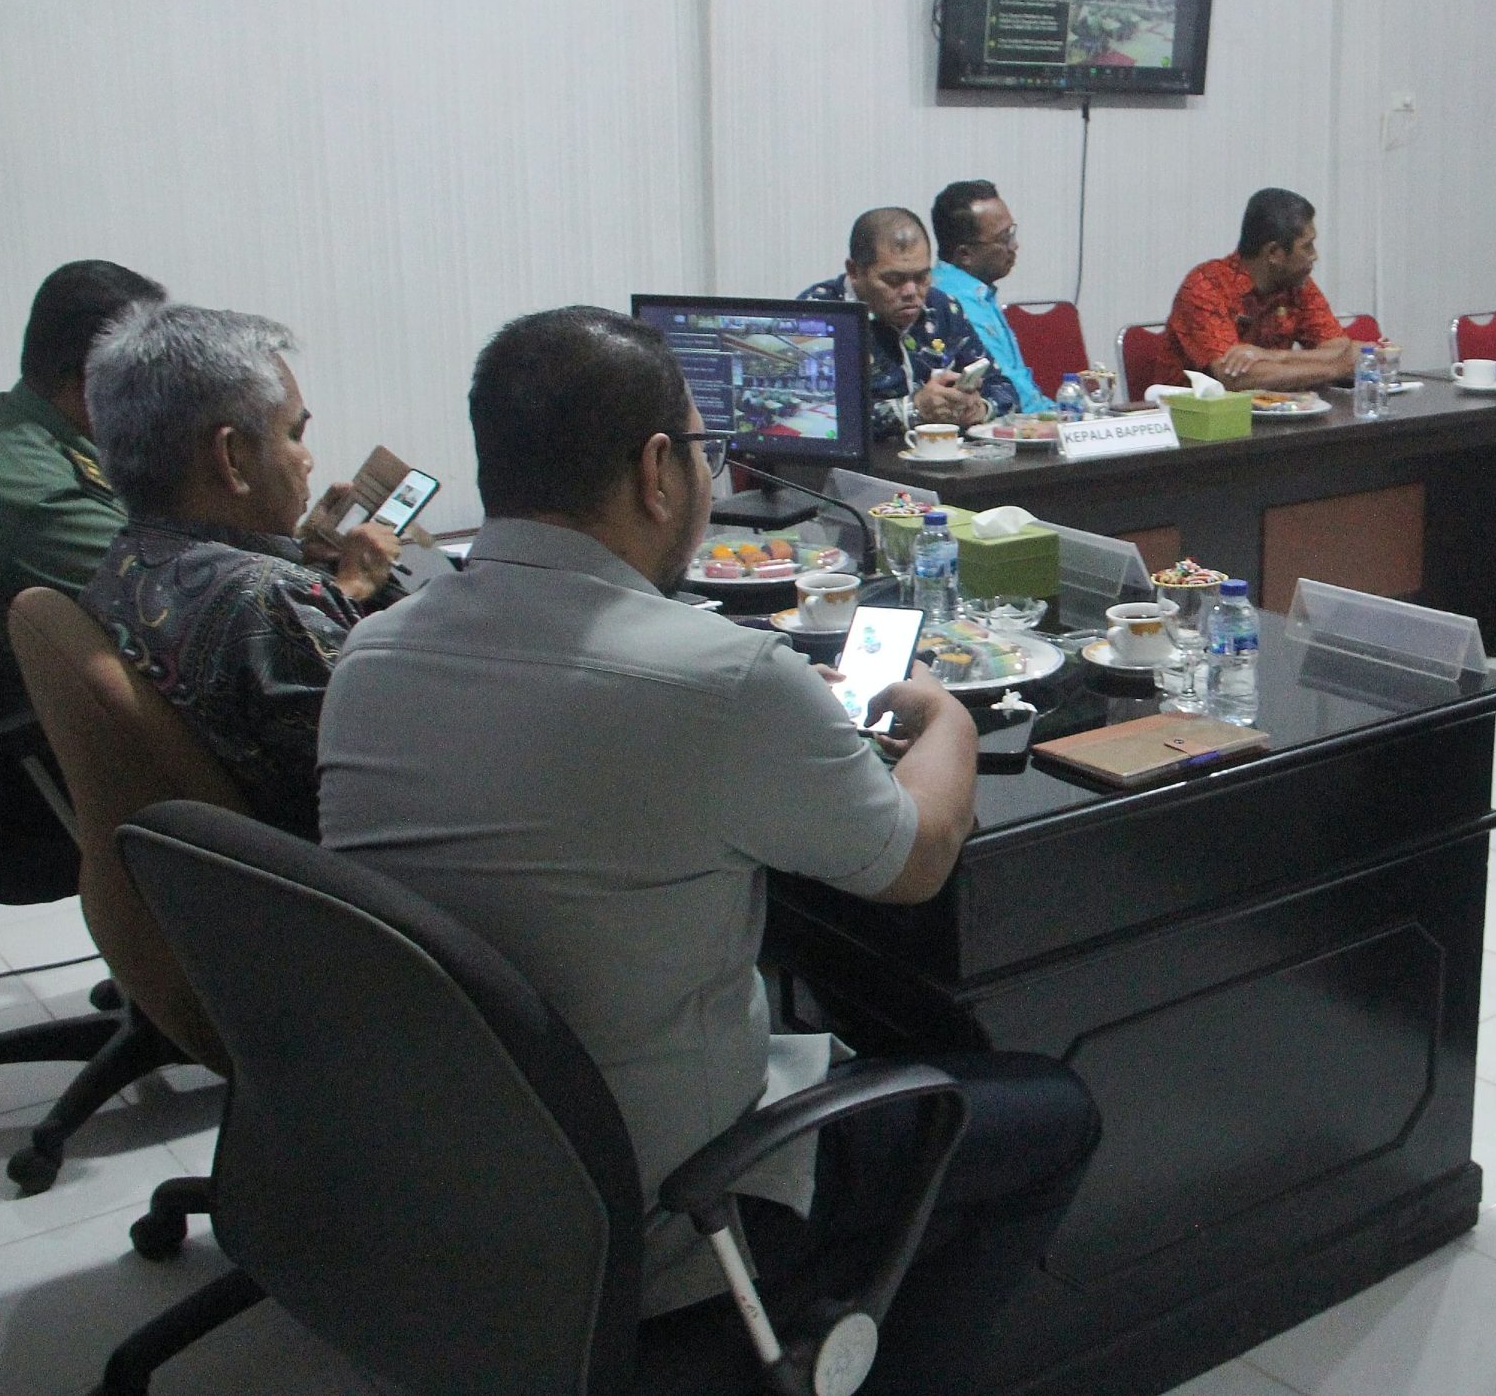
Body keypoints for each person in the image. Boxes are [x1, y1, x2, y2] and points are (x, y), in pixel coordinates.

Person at [317, 307, 1098, 1382]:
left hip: (447, 1180)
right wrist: (945, 718)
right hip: (666, 1208)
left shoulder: (369, 654)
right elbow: (915, 858)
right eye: (702, 446)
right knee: (1051, 1114)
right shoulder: (721, 679)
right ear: (657, 471)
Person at [79, 304, 402, 837]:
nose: (306, 460)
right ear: (231, 456)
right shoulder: (272, 601)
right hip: (341, 873)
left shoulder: (123, 561)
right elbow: (406, 776)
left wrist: (298, 558)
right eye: (294, 434)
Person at [0, 261, 168, 726]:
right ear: (90, 378)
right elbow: (177, 604)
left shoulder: (33, 437)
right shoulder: (22, 488)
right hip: (74, 739)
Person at [800, 207, 1018, 439]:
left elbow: (1003, 388)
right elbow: (807, 419)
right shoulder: (817, 317)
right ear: (854, 271)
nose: (911, 292)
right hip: (865, 460)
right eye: (894, 280)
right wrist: (912, 410)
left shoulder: (943, 308)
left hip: (943, 455)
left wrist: (979, 408)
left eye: (922, 277)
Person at [1155, 188, 1355, 393]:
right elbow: (1234, 377)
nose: (1314, 256)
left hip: (1276, 408)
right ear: (1274, 253)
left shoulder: (1298, 284)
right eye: (1307, 246)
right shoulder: (1205, 286)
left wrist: (1274, 356)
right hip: (1195, 410)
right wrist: (1336, 369)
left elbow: (1343, 350)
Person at [930, 179, 1049, 415]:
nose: (1014, 245)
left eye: (1012, 232)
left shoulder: (978, 292)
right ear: (965, 254)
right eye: (1004, 238)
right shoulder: (952, 302)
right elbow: (1012, 396)